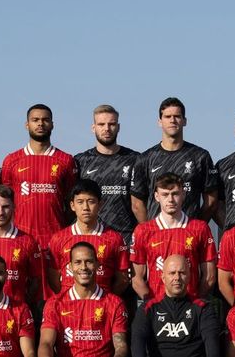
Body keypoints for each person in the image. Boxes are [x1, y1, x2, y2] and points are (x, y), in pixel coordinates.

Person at [1, 104, 77, 251]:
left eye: (45, 120)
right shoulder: (12, 160)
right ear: (27, 124)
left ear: (52, 124)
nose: (40, 123)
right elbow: (4, 202)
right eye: (35, 120)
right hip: (19, 239)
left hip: (56, 239)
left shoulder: (66, 160)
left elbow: (71, 203)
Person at [130, 97, 218, 222]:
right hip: (157, 237)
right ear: (159, 122)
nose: (172, 120)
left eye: (177, 116)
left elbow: (211, 201)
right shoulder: (145, 158)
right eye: (167, 117)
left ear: (184, 121)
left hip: (189, 236)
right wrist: (150, 232)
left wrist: (196, 228)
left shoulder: (200, 156)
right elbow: (137, 205)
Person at [131, 172, 216, 301]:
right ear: (156, 196)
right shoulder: (143, 231)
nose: (170, 199)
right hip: (157, 307)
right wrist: (152, 304)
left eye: (175, 194)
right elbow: (136, 278)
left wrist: (194, 303)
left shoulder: (200, 228)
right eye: (165, 194)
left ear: (183, 194)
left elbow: (209, 276)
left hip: (190, 306)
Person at [39, 241, 128, 357]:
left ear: (97, 265)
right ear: (70, 267)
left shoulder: (115, 303)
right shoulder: (55, 304)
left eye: (89, 262)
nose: (83, 267)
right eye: (78, 262)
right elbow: (46, 343)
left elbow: (121, 346)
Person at [47, 179, 129, 296]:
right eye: (80, 202)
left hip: (102, 308)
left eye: (91, 201)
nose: (85, 207)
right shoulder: (58, 238)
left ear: (100, 204)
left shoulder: (114, 239)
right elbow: (53, 278)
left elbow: (122, 279)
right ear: (72, 205)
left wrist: (105, 299)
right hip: (68, 309)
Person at [131, 254, 220, 357]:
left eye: (182, 273)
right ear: (163, 278)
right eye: (172, 273)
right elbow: (137, 346)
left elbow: (213, 349)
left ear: (189, 276)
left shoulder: (203, 308)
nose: (177, 278)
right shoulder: (147, 309)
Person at [75, 104, 140, 244]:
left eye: (111, 124)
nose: (106, 129)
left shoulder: (135, 159)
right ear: (93, 128)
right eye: (101, 124)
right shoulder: (81, 161)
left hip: (126, 239)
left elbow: (141, 203)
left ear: (118, 127)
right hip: (92, 239)